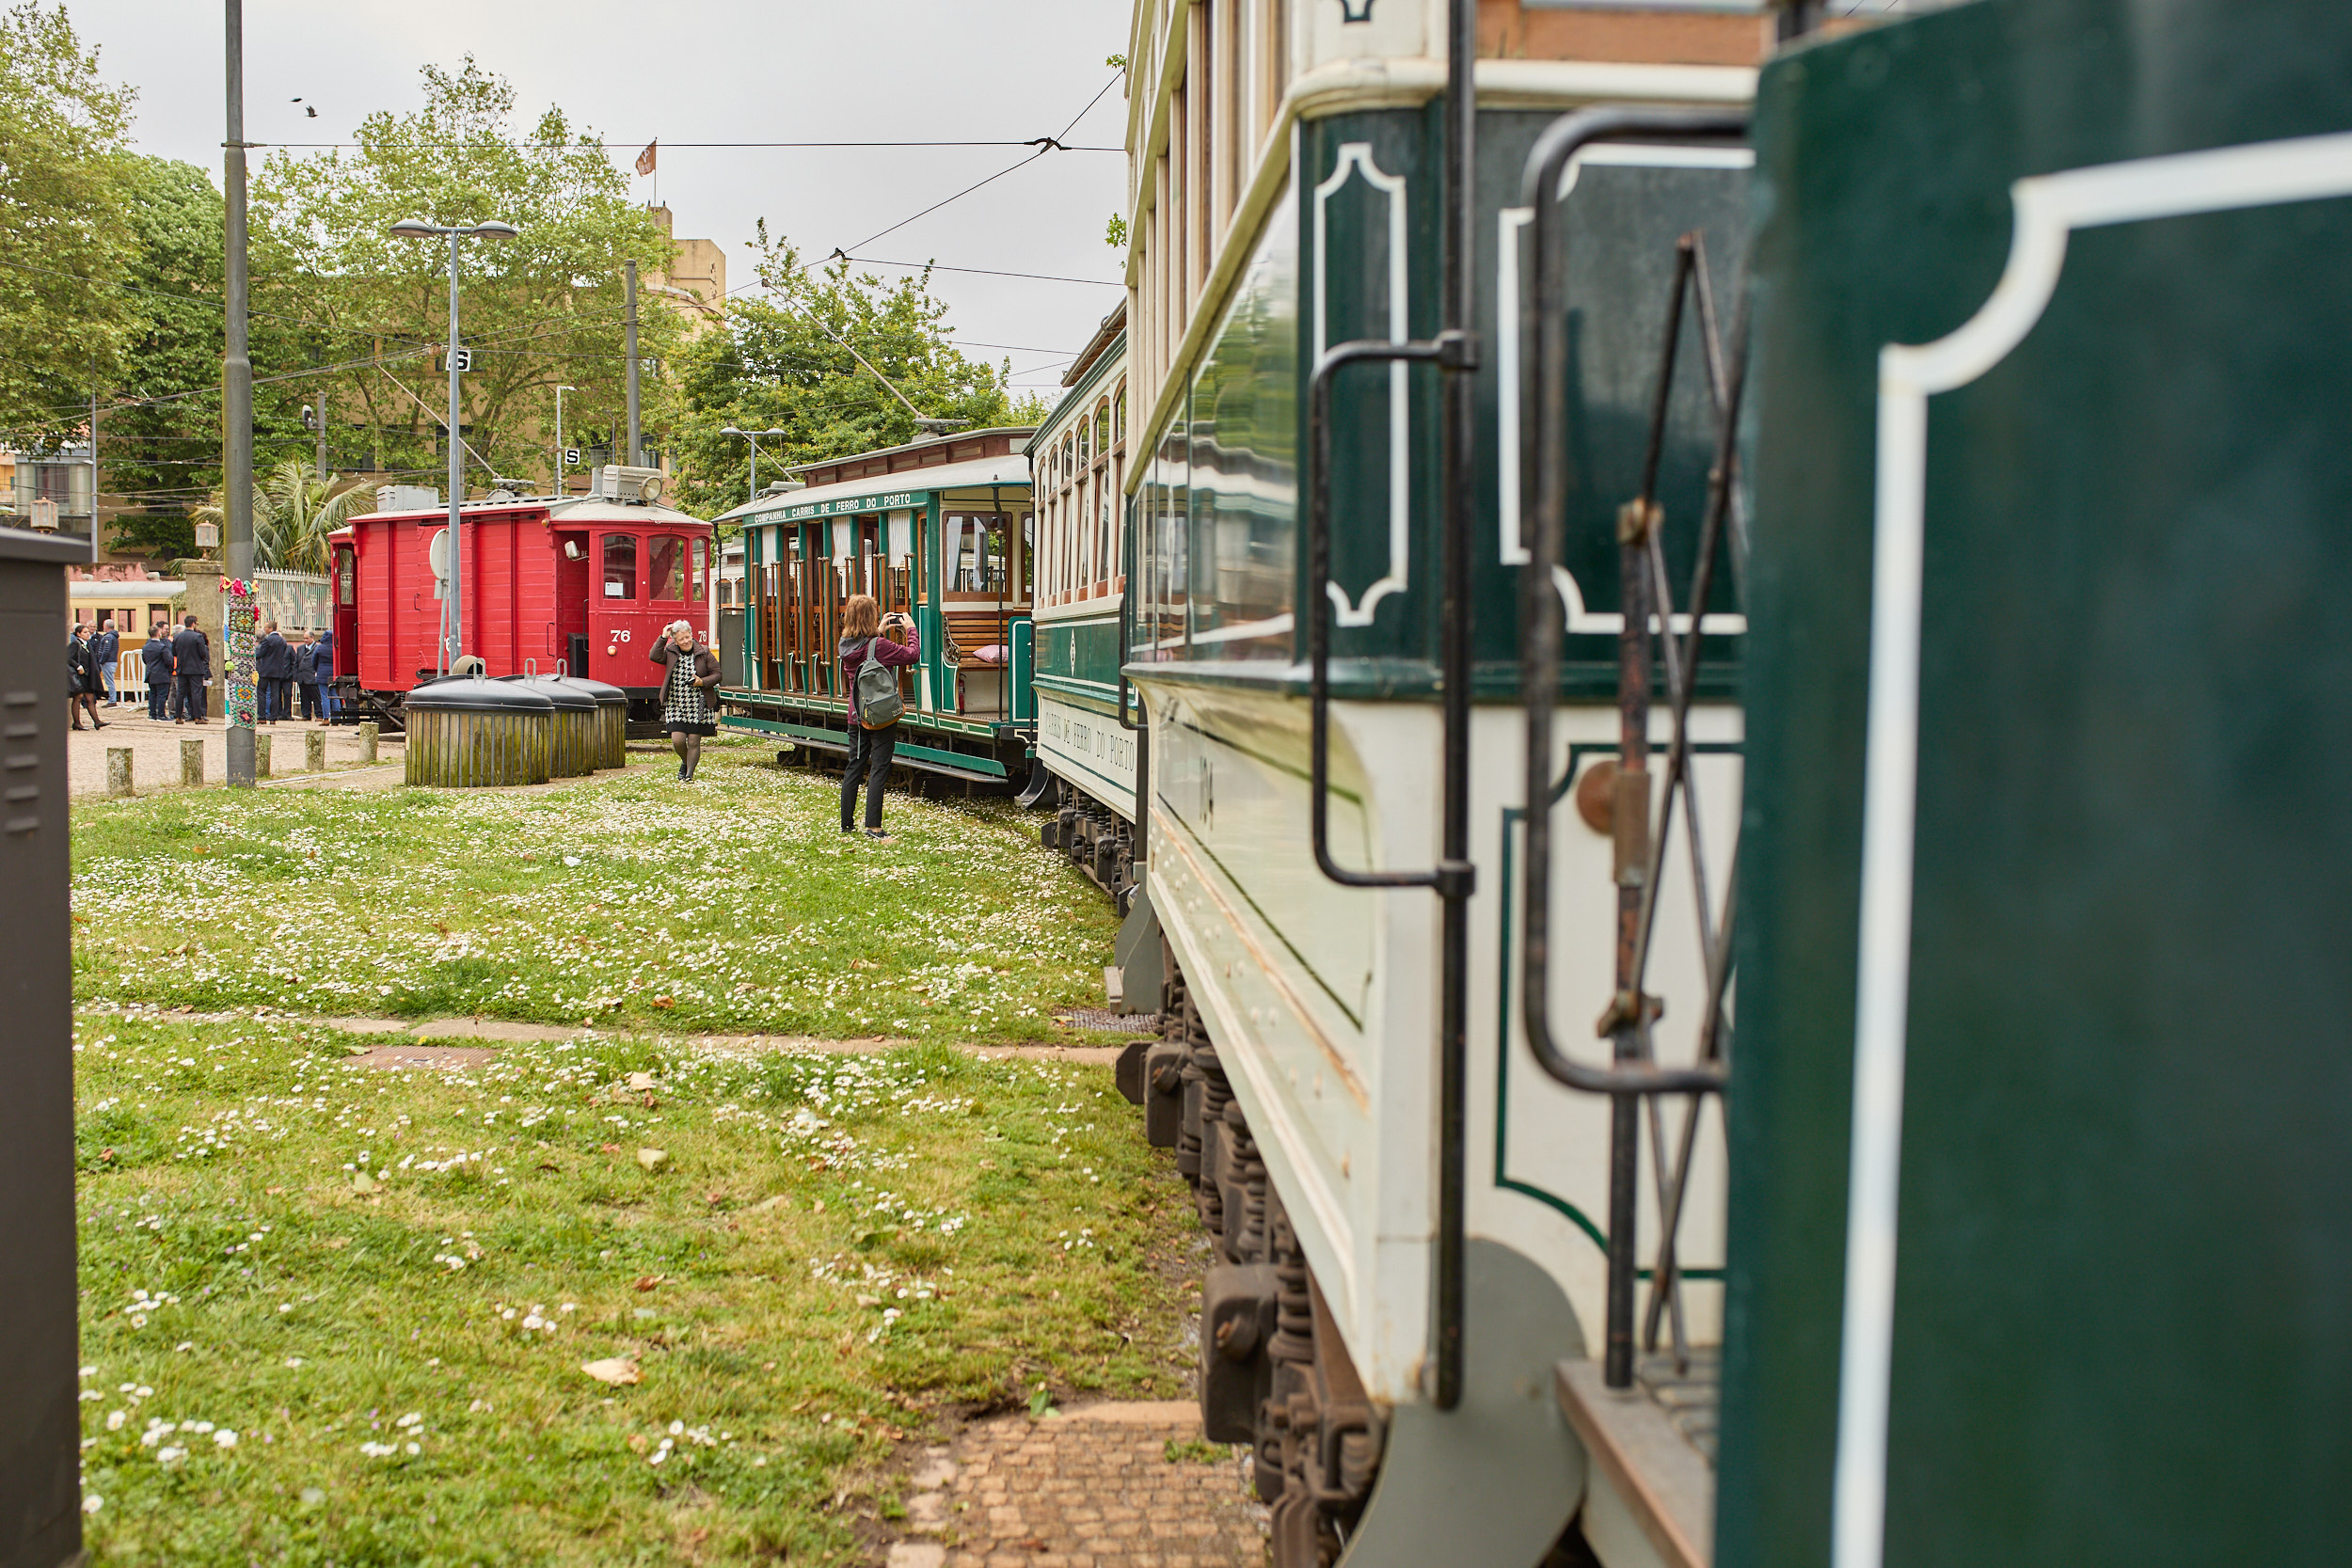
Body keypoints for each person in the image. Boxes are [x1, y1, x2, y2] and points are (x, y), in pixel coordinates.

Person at [836, 596, 918, 840]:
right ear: (871, 617)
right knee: (879, 768)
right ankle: (873, 827)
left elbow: (865, 648)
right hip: (881, 715)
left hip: (856, 715)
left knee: (855, 766)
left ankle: (846, 824)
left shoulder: (845, 644)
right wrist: (911, 629)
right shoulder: (879, 646)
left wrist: (879, 632)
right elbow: (912, 655)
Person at [647, 619, 719, 781]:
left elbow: (717, 674)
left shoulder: (704, 651)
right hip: (676, 702)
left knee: (694, 740)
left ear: (691, 635)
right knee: (677, 740)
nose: (686, 641)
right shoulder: (671, 651)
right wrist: (663, 637)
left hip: (699, 702)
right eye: (681, 639)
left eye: (688, 637)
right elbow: (654, 656)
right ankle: (685, 762)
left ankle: (688, 775)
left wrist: (702, 682)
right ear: (675, 641)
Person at [170, 612, 210, 723]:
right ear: (193, 624)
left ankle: (178, 717)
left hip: (182, 668)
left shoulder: (177, 637)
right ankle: (198, 717)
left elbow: (174, 652)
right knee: (196, 693)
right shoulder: (198, 637)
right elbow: (203, 653)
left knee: (180, 693)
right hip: (196, 669)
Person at [67, 625, 105, 730]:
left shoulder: (87, 644)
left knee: (90, 698)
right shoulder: (75, 644)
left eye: (88, 632)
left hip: (88, 676)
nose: (88, 634)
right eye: (85, 632)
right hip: (79, 676)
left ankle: (97, 721)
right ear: (78, 634)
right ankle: (77, 723)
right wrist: (78, 666)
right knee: (78, 697)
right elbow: (68, 658)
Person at [255, 619, 292, 724]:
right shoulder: (282, 641)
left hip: (266, 670)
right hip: (278, 670)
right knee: (275, 693)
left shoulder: (267, 640)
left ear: (271, 628)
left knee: (261, 692)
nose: (264, 629)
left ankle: (262, 716)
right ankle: (273, 717)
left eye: (266, 627)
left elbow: (260, 653)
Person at [140, 624, 172, 720]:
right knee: (162, 695)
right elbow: (169, 660)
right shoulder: (162, 647)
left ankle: (152, 714)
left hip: (150, 673)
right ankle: (161, 714)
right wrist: (169, 669)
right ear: (158, 633)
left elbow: (144, 659)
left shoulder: (145, 647)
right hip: (162, 673)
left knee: (152, 694)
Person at [294, 630, 325, 721]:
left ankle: (319, 714)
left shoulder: (317, 648)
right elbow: (296, 663)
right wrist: (296, 676)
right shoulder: (300, 649)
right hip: (302, 677)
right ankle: (306, 715)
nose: (305, 640)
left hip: (312, 677)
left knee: (316, 697)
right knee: (304, 697)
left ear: (312, 638)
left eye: (307, 638)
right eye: (304, 638)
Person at [90, 618, 119, 705]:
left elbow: (106, 651)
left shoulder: (108, 637)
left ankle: (112, 700)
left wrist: (101, 661)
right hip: (112, 661)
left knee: (109, 682)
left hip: (108, 662)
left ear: (106, 626)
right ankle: (112, 699)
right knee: (110, 681)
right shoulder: (113, 636)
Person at [313, 626, 338, 721]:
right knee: (335, 696)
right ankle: (336, 718)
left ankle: (326, 718)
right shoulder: (336, 648)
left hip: (322, 674)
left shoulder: (319, 648)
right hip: (334, 674)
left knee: (324, 696)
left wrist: (317, 670)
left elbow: (313, 661)